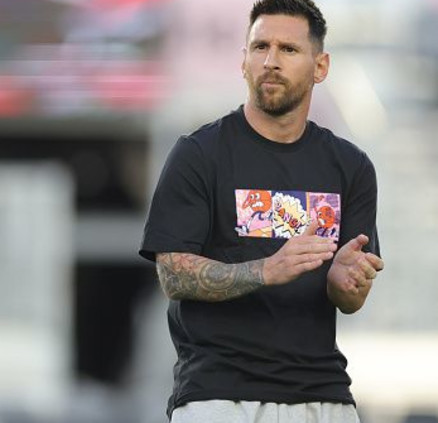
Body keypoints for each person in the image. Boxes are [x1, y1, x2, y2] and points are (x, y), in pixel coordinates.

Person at [139, 0, 384, 422]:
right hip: (219, 396)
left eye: (288, 49)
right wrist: (267, 270)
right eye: (260, 47)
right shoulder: (199, 154)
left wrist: (346, 285)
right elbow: (173, 274)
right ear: (244, 61)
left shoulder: (350, 166)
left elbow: (349, 298)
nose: (271, 61)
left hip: (321, 395)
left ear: (320, 66)